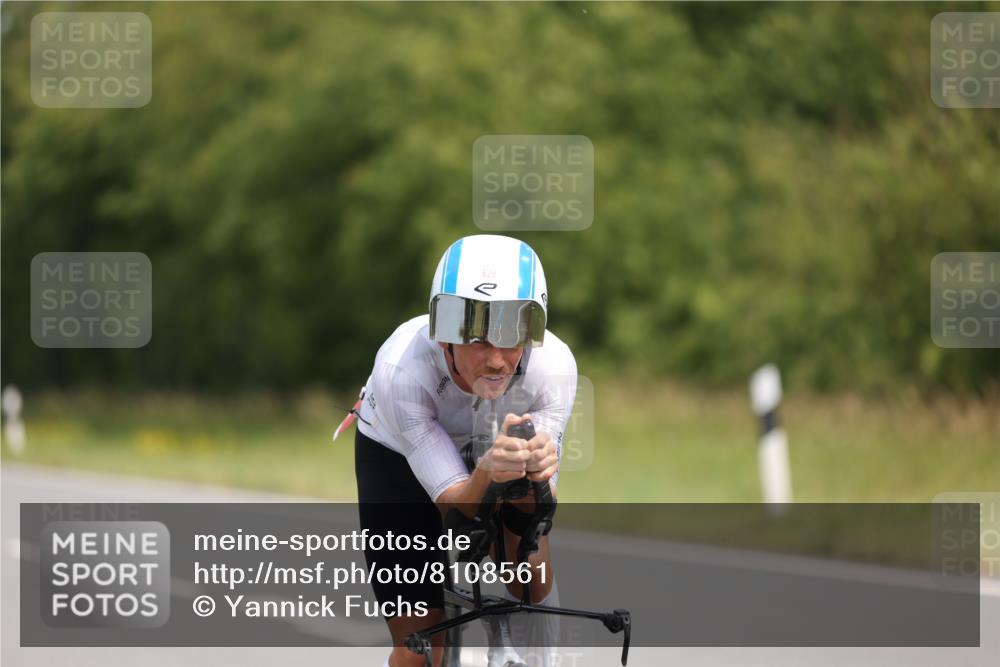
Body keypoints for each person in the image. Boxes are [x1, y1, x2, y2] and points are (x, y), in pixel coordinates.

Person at [353, 234, 577, 667]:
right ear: (444, 336)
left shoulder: (554, 367)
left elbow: (536, 516)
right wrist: (485, 474)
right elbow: (456, 511)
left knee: (527, 576)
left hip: (492, 447)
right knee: (419, 648)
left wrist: (535, 475)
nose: (495, 360)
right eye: (476, 337)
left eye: (512, 333)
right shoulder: (402, 369)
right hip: (396, 452)